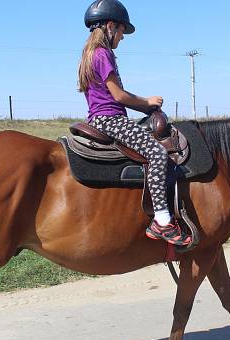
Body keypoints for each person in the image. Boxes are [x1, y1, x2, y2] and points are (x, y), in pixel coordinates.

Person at [78, 0, 191, 246]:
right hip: (110, 119)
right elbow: (118, 96)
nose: (122, 37)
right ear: (110, 26)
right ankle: (162, 221)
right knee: (158, 154)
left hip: (98, 117)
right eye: (120, 31)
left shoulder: (89, 54)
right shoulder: (103, 54)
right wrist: (147, 102)